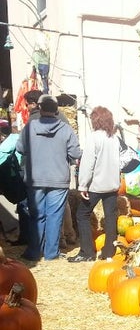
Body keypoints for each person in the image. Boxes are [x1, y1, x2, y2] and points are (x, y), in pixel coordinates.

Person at [16, 94, 82, 261]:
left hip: (35, 178)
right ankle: (51, 253)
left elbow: (20, 149)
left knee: (36, 215)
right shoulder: (66, 129)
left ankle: (33, 251)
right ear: (57, 110)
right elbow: (75, 153)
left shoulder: (30, 127)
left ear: (40, 108)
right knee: (54, 216)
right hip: (58, 179)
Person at [68, 106, 121, 263]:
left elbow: (87, 163)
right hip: (112, 185)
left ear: (95, 120)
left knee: (82, 215)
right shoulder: (114, 138)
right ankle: (109, 252)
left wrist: (82, 185)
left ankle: (87, 252)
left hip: (96, 185)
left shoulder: (94, 137)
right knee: (111, 217)